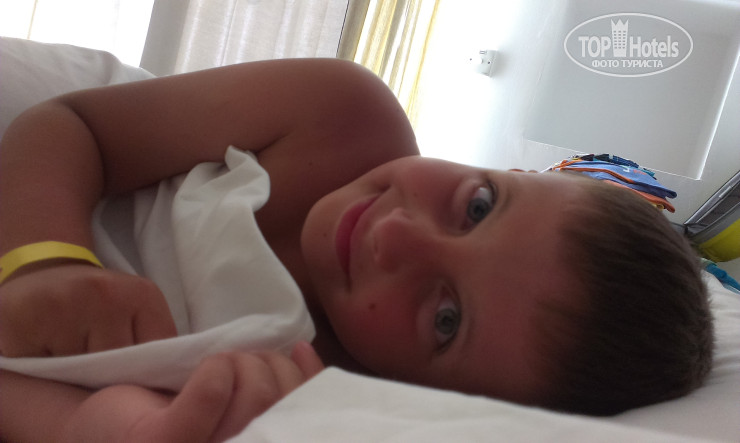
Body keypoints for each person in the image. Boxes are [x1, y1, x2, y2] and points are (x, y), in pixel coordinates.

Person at [0, 58, 713, 441]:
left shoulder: (294, 391)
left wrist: (98, 427)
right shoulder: (340, 115)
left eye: (445, 318)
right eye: (479, 205)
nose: (397, 235)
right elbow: (72, 125)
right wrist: (45, 261)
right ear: (514, 171)